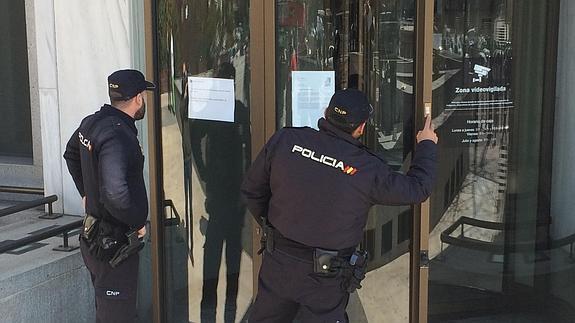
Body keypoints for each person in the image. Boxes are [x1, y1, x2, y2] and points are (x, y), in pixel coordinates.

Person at [241, 89, 438, 322]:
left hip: (279, 263)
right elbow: (418, 189)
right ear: (361, 127)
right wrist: (426, 144)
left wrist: (276, 227)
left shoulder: (286, 140)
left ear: (326, 113)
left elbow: (252, 191)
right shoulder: (366, 169)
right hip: (325, 279)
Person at [63, 69, 154, 323]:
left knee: (109, 310)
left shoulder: (92, 123)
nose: (143, 101)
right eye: (143, 96)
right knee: (116, 315)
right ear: (138, 98)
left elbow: (71, 154)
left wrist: (85, 193)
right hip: (113, 244)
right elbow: (115, 193)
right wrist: (137, 223)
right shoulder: (118, 135)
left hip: (94, 239)